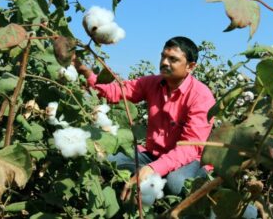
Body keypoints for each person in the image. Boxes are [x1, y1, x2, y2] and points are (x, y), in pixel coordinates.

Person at [73, 36, 215, 200]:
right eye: (163, 56)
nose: (164, 62)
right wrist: (83, 70)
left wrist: (153, 169)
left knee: (175, 183)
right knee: (103, 158)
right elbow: (115, 91)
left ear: (190, 66)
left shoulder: (201, 96)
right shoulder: (152, 83)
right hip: (153, 154)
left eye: (173, 59)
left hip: (190, 160)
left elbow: (190, 148)